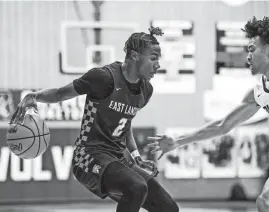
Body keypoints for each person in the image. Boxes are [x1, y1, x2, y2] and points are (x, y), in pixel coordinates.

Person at [10, 27, 179, 212]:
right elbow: (60, 94)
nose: (158, 65)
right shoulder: (103, 78)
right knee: (137, 187)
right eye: (153, 58)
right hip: (88, 156)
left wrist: (136, 157)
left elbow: (125, 122)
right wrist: (34, 96)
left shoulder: (146, 90)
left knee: (168, 208)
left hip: (117, 159)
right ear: (134, 55)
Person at [148, 16, 269, 212]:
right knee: (266, 203)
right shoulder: (259, 93)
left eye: (251, 49)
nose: (247, 56)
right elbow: (223, 125)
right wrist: (177, 141)